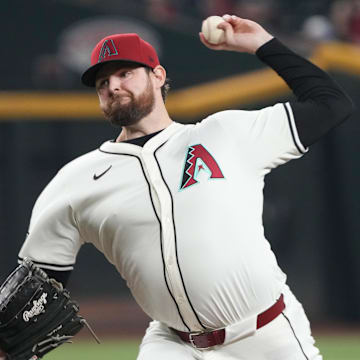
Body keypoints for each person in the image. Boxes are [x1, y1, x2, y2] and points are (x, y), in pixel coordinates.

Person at [9, 14, 354, 360]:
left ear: (158, 75)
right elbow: (40, 279)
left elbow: (331, 104)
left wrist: (263, 44)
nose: (113, 86)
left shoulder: (225, 134)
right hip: (173, 344)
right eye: (102, 82)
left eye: (125, 73)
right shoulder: (76, 180)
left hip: (266, 336)